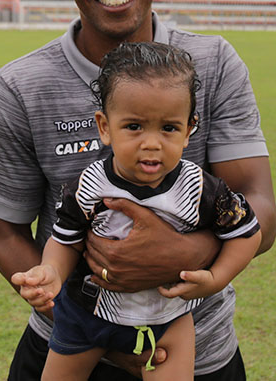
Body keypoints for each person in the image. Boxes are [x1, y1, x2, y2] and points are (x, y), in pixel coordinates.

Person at [0, 0, 276, 380]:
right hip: (68, 346)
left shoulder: (215, 62)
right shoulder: (21, 84)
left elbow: (258, 207)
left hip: (196, 353)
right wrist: (93, 328)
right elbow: (4, 231)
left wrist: (184, 256)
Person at [19, 42, 262, 380]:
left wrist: (216, 278)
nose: (151, 143)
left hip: (166, 321)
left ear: (189, 129)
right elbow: (66, 240)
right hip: (86, 314)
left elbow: (247, 234)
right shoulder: (89, 184)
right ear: (105, 127)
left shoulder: (201, 189)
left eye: (169, 128)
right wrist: (50, 272)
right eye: (134, 126)